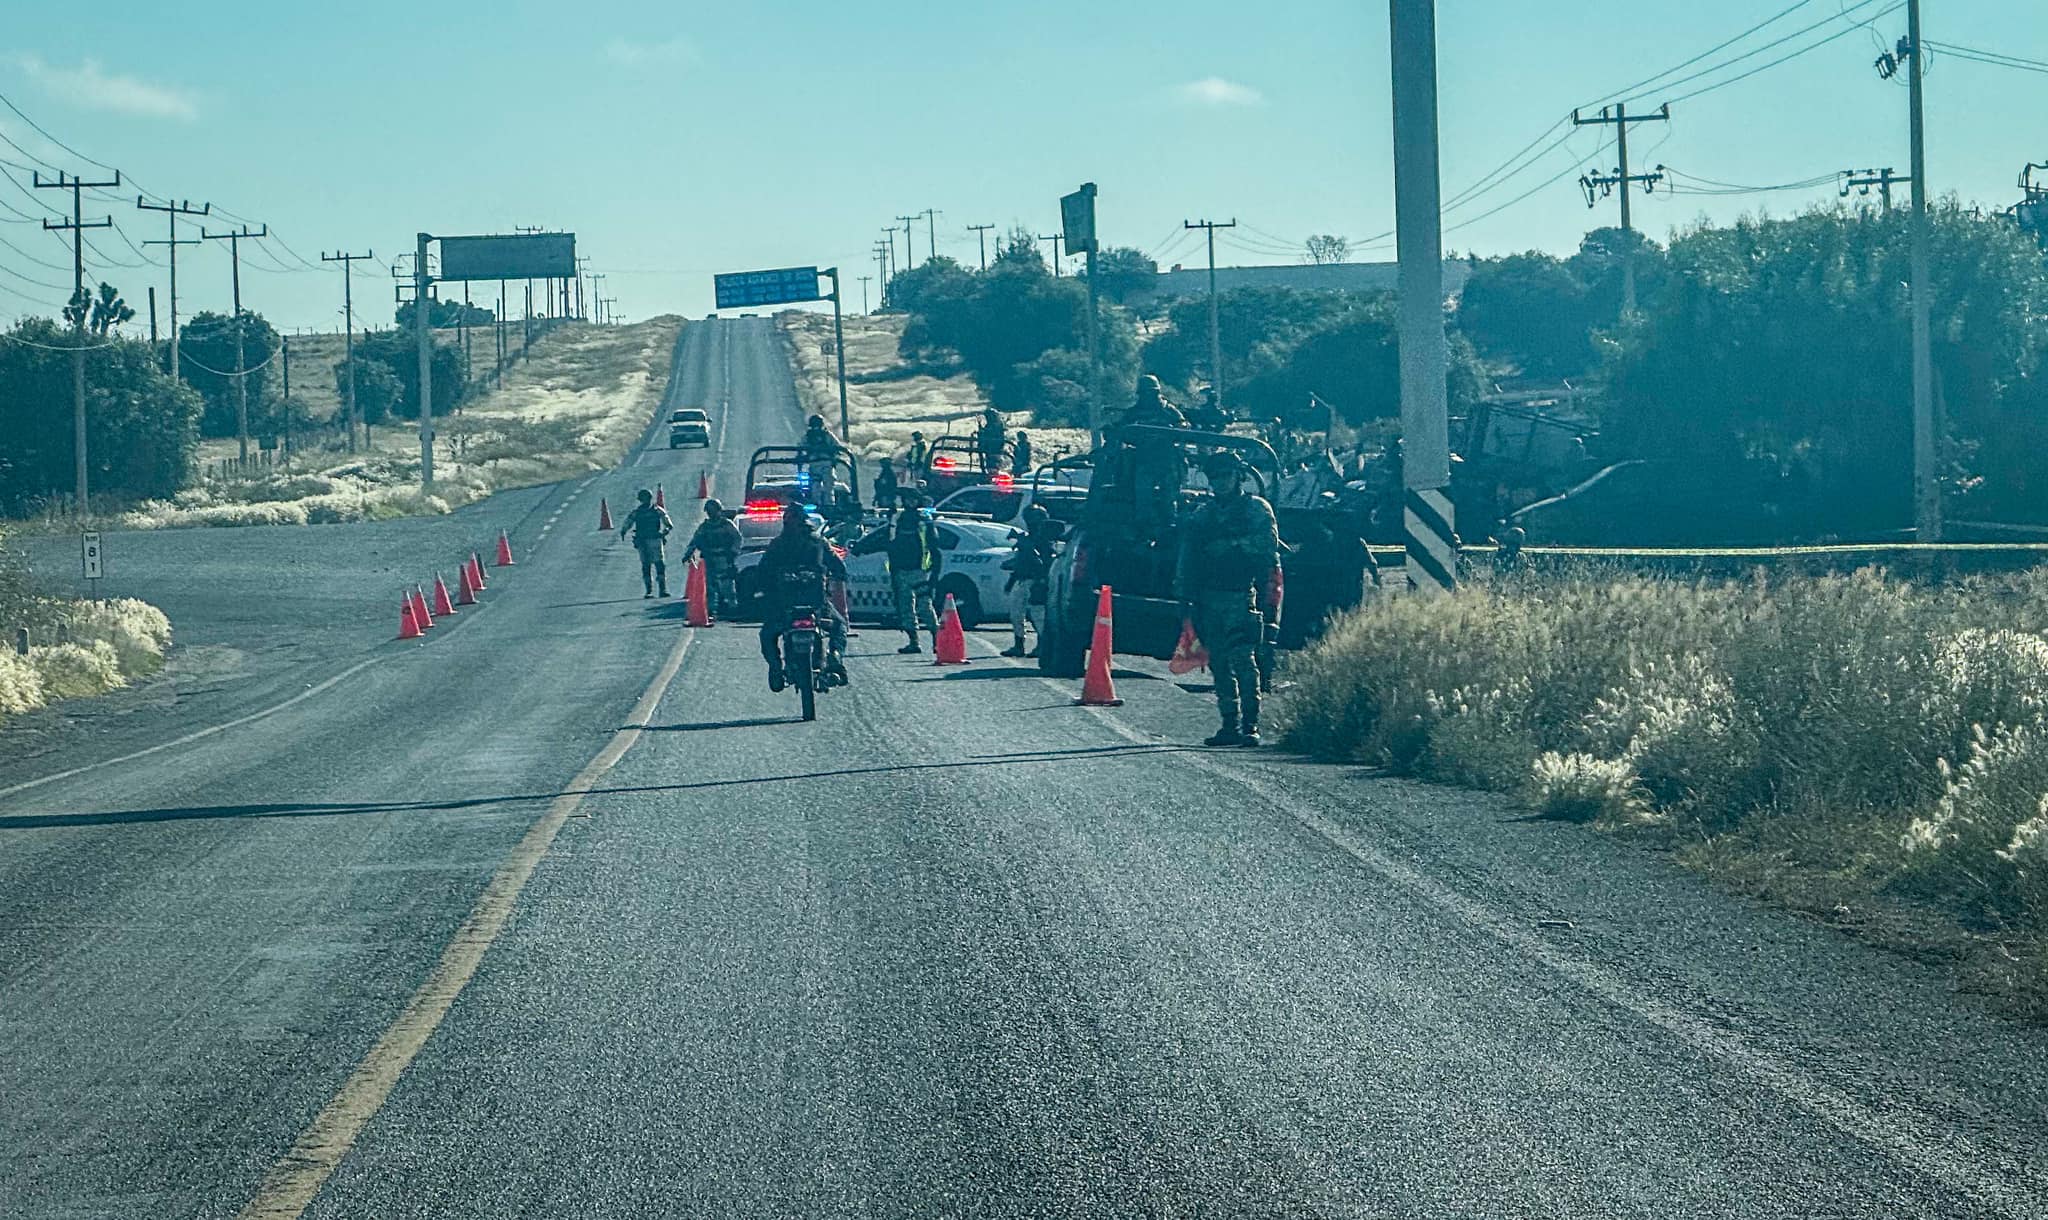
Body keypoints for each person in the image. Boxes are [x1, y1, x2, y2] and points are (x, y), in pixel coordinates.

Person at [1176, 452, 1281, 747]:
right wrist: (1184, 596)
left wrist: (1232, 545)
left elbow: (1268, 544)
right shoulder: (1203, 515)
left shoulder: (1256, 510)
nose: (1220, 483)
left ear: (1239, 477)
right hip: (1209, 597)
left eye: (1225, 476)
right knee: (1219, 663)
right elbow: (1188, 558)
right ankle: (1229, 724)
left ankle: (1250, 724)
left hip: (1243, 593)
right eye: (1215, 478)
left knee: (1244, 660)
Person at [756, 504, 849, 692]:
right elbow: (838, 567)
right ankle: (835, 658)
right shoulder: (818, 542)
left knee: (767, 634)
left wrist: (762, 590)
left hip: (790, 606)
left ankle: (776, 667)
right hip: (811, 604)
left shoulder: (779, 544)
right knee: (838, 627)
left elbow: (762, 571)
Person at [855, 500, 943, 653]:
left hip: (917, 571)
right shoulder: (902, 522)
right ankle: (917, 642)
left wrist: (933, 575)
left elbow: (934, 548)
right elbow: (887, 543)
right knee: (909, 608)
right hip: (905, 572)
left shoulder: (919, 523)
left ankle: (934, 640)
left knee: (921, 607)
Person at [1001, 504, 1059, 657]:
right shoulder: (1027, 539)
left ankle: (1043, 645)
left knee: (1038, 614)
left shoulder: (1045, 541)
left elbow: (1042, 562)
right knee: (1016, 614)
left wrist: (1041, 580)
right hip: (1021, 580)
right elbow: (1022, 562)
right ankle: (1019, 644)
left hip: (1036, 581)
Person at [679, 498, 743, 617]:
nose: (711, 513)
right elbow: (695, 540)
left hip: (724, 558)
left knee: (727, 585)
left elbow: (737, 538)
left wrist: (733, 553)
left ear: (719, 511)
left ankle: (733, 608)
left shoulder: (726, 525)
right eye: (709, 511)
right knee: (709, 586)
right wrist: (688, 553)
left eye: (713, 511)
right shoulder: (705, 527)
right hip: (709, 559)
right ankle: (710, 610)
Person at [617, 488, 673, 598]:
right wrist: (623, 531)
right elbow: (628, 523)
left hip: (654, 540)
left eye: (645, 498)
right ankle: (650, 591)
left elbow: (668, 523)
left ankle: (661, 589)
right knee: (647, 565)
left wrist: (665, 531)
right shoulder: (639, 512)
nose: (645, 501)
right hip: (644, 541)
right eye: (643, 499)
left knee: (659, 564)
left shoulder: (656, 510)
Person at [797, 414, 844, 507]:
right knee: (818, 487)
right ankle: (822, 505)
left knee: (827, 487)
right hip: (817, 463)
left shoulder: (826, 435)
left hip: (824, 463)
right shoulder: (810, 436)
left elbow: (837, 447)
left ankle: (827, 506)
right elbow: (800, 447)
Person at [976, 408, 1008, 475]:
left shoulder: (997, 425)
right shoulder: (991, 424)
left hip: (995, 450)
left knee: (993, 468)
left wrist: (982, 431)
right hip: (989, 450)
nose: (987, 418)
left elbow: (990, 433)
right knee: (989, 467)